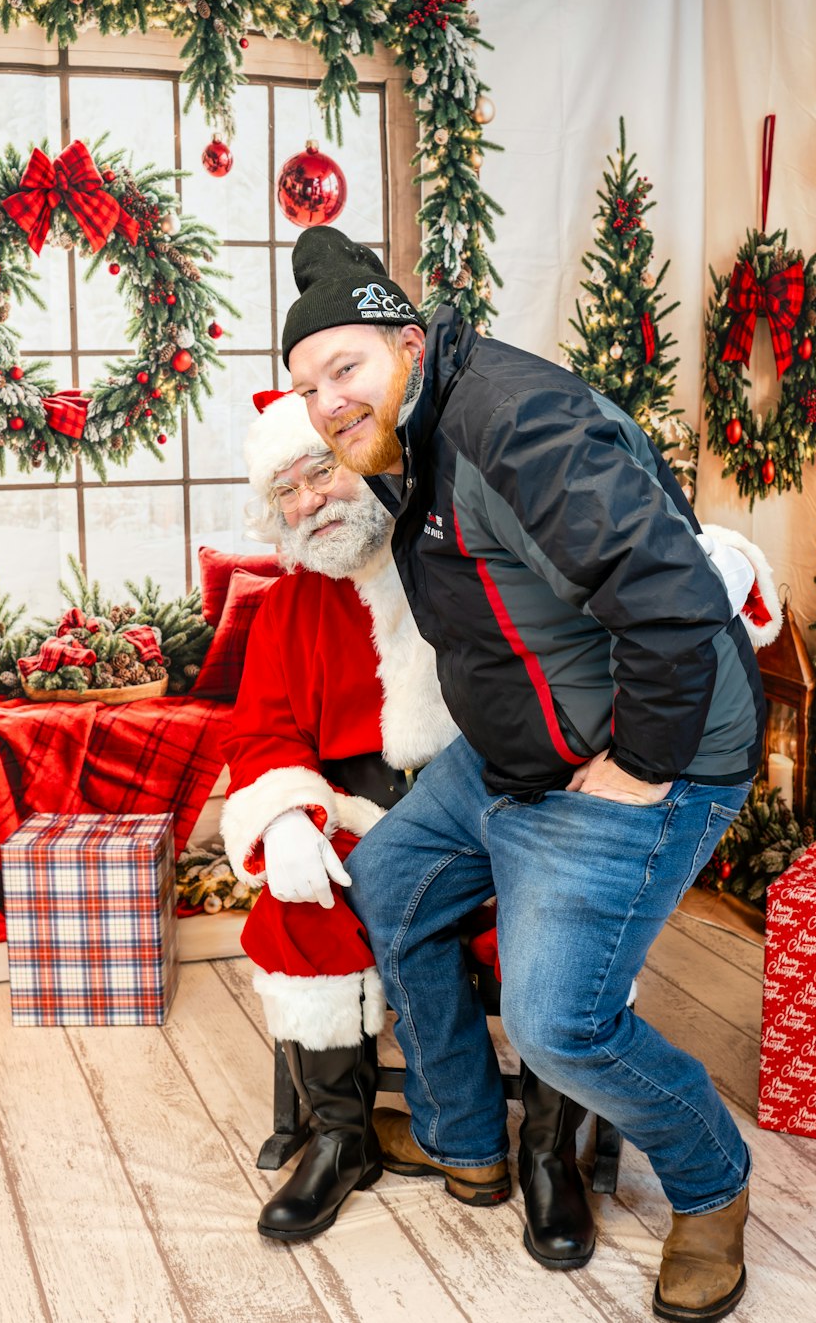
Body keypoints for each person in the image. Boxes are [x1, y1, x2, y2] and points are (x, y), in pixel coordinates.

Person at [282, 226, 766, 1323]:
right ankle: (463, 1137)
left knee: (560, 1027)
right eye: (308, 387)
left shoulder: (514, 424)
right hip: (515, 753)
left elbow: (675, 596)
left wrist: (641, 764)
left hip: (645, 752)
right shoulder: (405, 431)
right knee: (391, 881)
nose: (327, 402)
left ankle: (709, 1182)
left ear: (410, 342)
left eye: (344, 367)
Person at [224, 388, 600, 1253]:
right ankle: (341, 1138)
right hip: (360, 817)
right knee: (298, 911)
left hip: (498, 806)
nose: (309, 500)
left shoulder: (464, 552)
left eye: (321, 471)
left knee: (565, 919)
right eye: (286, 489)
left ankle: (549, 1152)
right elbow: (262, 733)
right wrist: (286, 818)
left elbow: (599, 597)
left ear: (365, 460)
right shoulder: (286, 609)